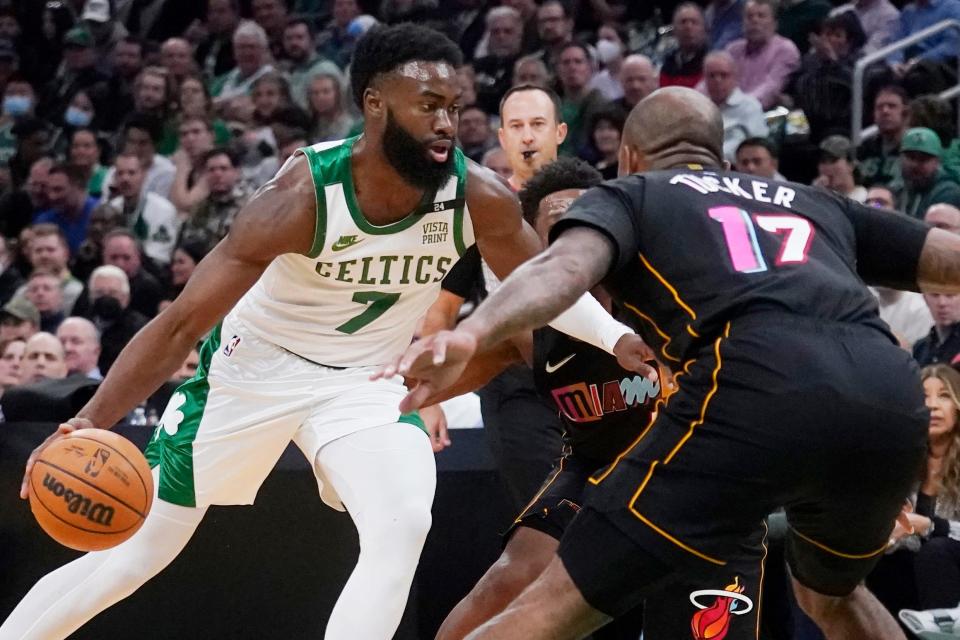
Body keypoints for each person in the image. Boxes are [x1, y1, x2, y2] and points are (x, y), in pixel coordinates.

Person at [1, 24, 647, 640]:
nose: (447, 122)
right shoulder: (300, 197)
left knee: (401, 527)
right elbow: (178, 326)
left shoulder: (477, 195)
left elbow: (543, 281)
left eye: (453, 105)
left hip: (363, 383)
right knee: (133, 557)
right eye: (428, 105)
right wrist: (89, 419)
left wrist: (617, 339)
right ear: (374, 105)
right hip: (250, 375)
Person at [383, 86, 960, 639]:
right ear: (722, 154)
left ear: (630, 156)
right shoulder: (814, 201)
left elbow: (559, 271)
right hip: (888, 399)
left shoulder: (634, 193)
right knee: (834, 596)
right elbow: (945, 258)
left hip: (747, 395)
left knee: (553, 606)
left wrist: (475, 327)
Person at [432, 157, 761, 640]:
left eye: (582, 228)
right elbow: (433, 377)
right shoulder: (527, 331)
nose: (575, 246)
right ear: (537, 251)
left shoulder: (668, 299)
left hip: (693, 476)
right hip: (596, 470)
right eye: (556, 233)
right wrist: (402, 396)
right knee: (510, 579)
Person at [725, 0, 800, 110]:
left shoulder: (785, 49)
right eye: (749, 16)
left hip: (764, 114)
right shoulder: (732, 50)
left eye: (761, 16)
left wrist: (737, 107)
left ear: (775, 23)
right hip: (730, 111)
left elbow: (770, 89)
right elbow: (711, 84)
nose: (754, 20)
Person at [108, 152, 180, 266]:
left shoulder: (163, 210)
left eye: (131, 173)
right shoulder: (111, 208)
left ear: (144, 175)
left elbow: (160, 255)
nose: (125, 178)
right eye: (120, 173)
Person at [701, 51, 768, 163]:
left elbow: (759, 147)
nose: (717, 81)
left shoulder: (750, 107)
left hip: (739, 169)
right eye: (712, 75)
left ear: (735, 77)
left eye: (724, 75)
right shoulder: (699, 106)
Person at [32, 163, 98, 254]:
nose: (52, 196)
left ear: (77, 186)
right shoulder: (45, 221)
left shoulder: (100, 214)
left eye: (58, 190)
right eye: (49, 190)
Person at [899, 127, 960, 219]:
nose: (915, 164)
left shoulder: (948, 192)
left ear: (937, 162)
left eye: (923, 159)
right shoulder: (897, 188)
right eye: (911, 157)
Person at [858, 85, 909, 188]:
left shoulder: (915, 150)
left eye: (892, 106)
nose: (885, 111)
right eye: (879, 107)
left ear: (905, 112)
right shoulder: (865, 149)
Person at [660, 3, 708, 89]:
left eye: (694, 22)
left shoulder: (711, 63)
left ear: (704, 28)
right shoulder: (668, 64)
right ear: (674, 30)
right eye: (683, 22)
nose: (688, 27)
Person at [814, 135, 868, 203]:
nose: (827, 167)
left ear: (850, 164)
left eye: (833, 160)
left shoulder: (866, 199)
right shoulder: (815, 197)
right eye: (822, 161)